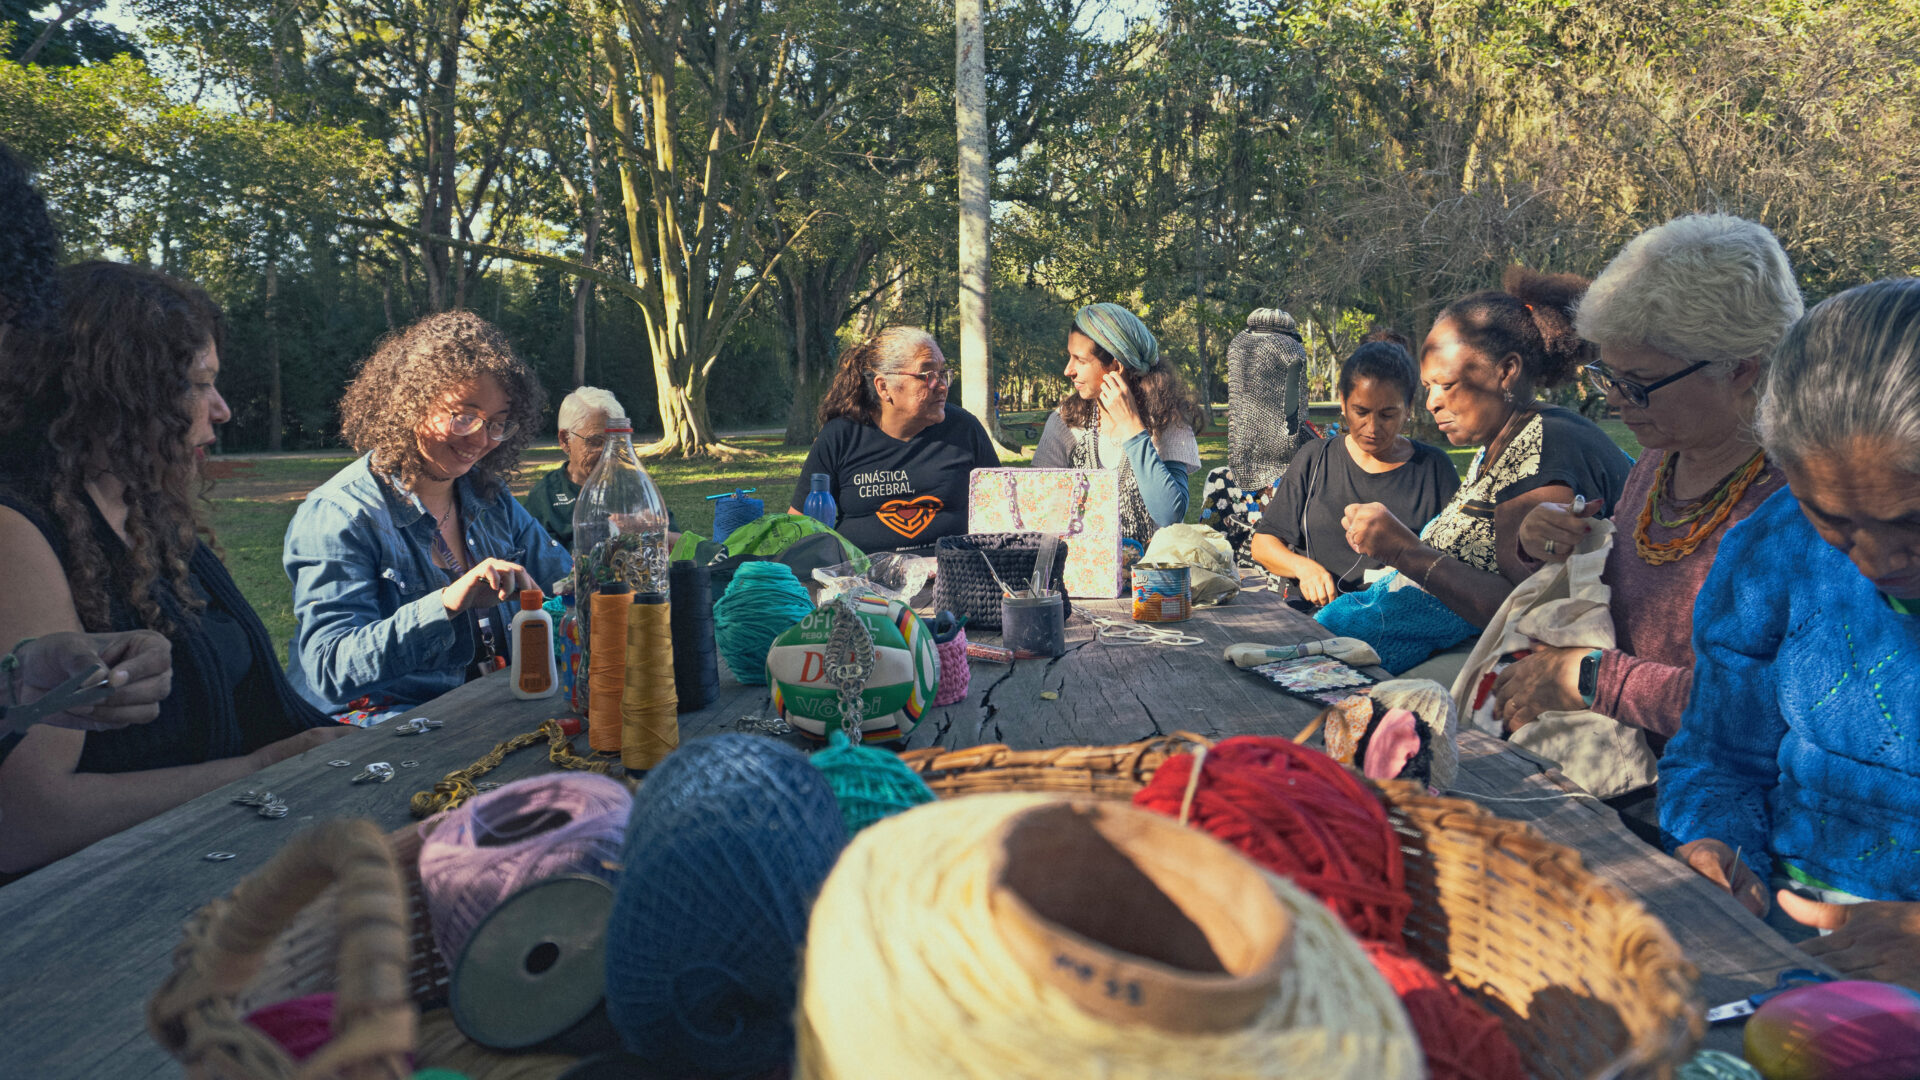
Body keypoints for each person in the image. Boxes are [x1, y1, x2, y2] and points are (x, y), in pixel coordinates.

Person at [0, 262, 344, 872]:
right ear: (115, 392)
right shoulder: (16, 531)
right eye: (198, 384)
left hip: (214, 861)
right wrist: (263, 769)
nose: (222, 409)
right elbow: (26, 822)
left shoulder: (146, 510)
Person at [1659, 279, 1920, 981]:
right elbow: (1716, 756)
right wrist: (1717, 841)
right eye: (1830, 518)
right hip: (1781, 934)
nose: (1873, 560)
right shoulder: (1770, 554)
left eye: (1911, 524)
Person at [1491, 216, 1801, 756]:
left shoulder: (1801, 504)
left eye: (1638, 384)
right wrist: (1554, 544)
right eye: (1608, 376)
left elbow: (1777, 707)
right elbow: (1626, 591)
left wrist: (1593, 680)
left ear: (1739, 369)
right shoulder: (1660, 460)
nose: (1613, 400)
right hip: (1618, 766)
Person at [1320, 269, 1631, 673]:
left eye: (1445, 384)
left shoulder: (1543, 449)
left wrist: (1403, 549)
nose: (1431, 403)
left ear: (1506, 371)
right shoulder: (1505, 442)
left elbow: (1522, 611)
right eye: (1427, 386)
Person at [284, 311, 573, 717]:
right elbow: (330, 668)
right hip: (371, 733)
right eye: (464, 415)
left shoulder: (489, 498)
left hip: (475, 713)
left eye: (497, 424)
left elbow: (568, 584)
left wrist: (620, 561)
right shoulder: (340, 515)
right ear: (411, 403)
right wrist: (447, 604)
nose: (480, 438)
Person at [1252, 341, 1459, 606]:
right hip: (1315, 618)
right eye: (1361, 412)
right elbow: (1263, 543)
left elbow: (1455, 563)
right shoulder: (1315, 459)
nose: (1372, 427)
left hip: (1399, 618)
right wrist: (1303, 568)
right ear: (1342, 401)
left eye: (1387, 414)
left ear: (1408, 408)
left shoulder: (1434, 468)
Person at [790, 326, 1000, 554]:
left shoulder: (964, 429)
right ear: (883, 387)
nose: (941, 386)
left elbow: (1002, 511)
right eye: (927, 375)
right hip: (864, 581)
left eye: (943, 374)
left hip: (955, 578)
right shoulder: (841, 436)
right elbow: (799, 526)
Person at [1033, 303, 1206, 547]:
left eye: (1080, 360)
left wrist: (1132, 428)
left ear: (1116, 366)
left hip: (1147, 579)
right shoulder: (1064, 423)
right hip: (1077, 576)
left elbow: (1169, 515)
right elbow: (1037, 510)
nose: (1067, 370)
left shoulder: (1168, 420)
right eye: (1069, 357)